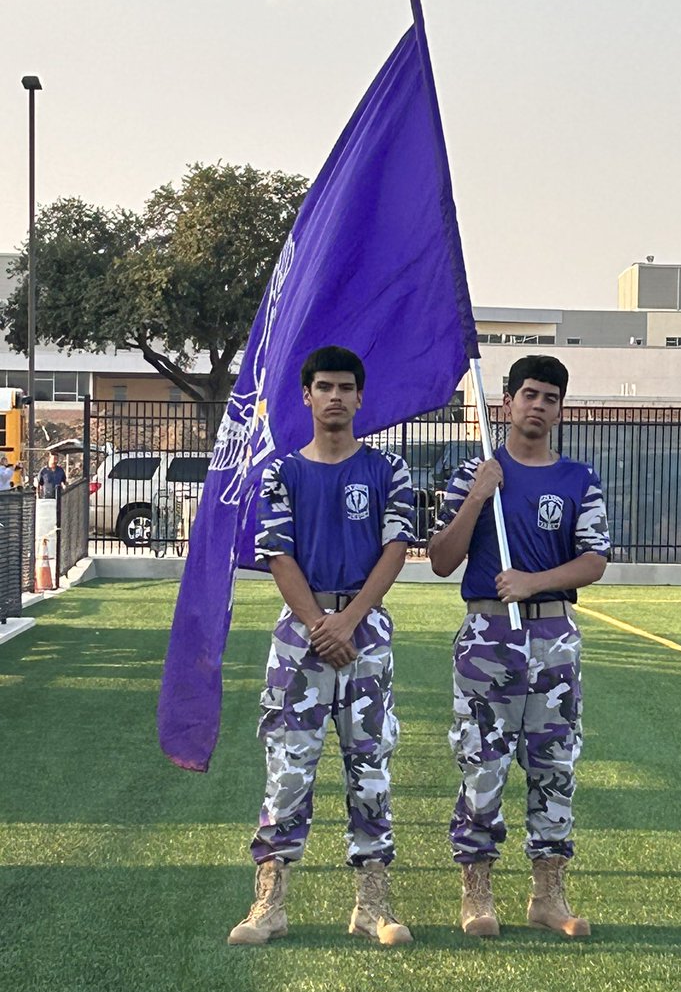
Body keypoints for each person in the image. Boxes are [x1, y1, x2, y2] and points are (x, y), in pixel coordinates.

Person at [229, 345, 417, 948]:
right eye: (323, 387)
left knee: (371, 768)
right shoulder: (283, 472)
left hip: (366, 634)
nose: (335, 397)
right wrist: (318, 624)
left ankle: (372, 903)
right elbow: (277, 554)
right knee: (288, 769)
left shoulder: (389, 470)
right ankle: (270, 903)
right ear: (306, 397)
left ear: (361, 398)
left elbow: (395, 550)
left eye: (345, 388)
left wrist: (350, 620)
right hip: (300, 638)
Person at [428, 355, 611, 938]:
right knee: (483, 764)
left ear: (560, 410)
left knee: (554, 764)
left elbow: (595, 560)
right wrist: (479, 496)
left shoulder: (579, 479)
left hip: (553, 637)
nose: (538, 405)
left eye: (550, 397)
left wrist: (534, 581)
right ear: (506, 402)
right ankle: (476, 892)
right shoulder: (474, 471)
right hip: (488, 638)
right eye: (528, 394)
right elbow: (440, 559)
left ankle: (547, 893)